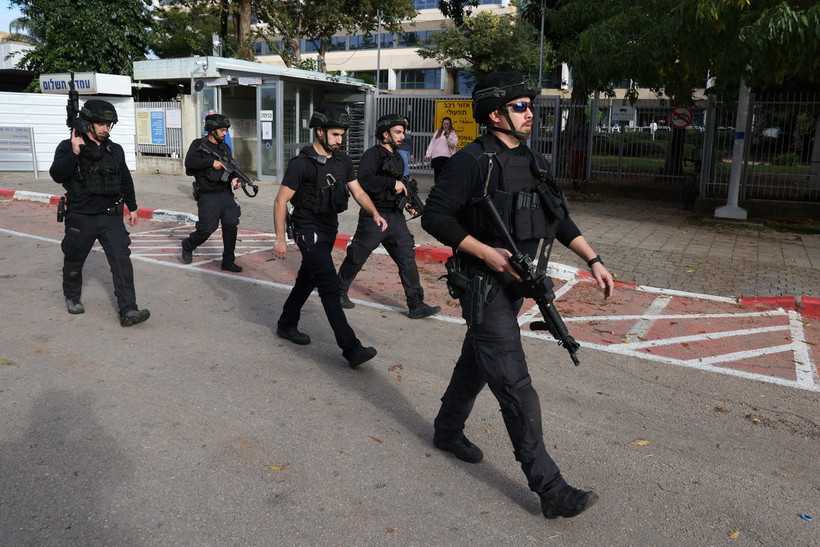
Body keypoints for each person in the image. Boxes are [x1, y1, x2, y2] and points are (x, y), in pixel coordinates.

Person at [421, 72, 615, 520]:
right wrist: (485, 252)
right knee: (513, 383)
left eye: (531, 106)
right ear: (495, 114)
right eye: (521, 106)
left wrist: (594, 260)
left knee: (478, 363)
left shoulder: (533, 160)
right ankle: (550, 489)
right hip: (484, 286)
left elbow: (558, 216)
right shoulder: (472, 161)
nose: (531, 113)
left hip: (515, 288)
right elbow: (435, 216)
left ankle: (447, 430)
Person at [272, 103, 387, 368]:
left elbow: (358, 192)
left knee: (306, 280)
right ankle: (351, 348)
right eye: (336, 134)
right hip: (307, 230)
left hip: (328, 228)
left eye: (342, 135)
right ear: (320, 131)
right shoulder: (301, 164)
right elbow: (280, 202)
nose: (340, 139)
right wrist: (280, 238)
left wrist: (375, 213)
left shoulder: (342, 160)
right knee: (329, 287)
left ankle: (286, 324)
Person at [49, 100, 150, 327]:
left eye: (108, 124)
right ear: (87, 123)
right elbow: (56, 174)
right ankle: (72, 296)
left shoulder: (115, 150)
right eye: (101, 124)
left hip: (110, 216)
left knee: (122, 262)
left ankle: (128, 310)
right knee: (74, 260)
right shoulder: (68, 147)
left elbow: (125, 180)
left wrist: (132, 207)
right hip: (81, 217)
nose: (105, 128)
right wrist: (74, 153)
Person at [337, 114, 440, 319]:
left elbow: (401, 186)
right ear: (385, 134)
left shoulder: (398, 158)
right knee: (356, 257)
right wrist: (391, 184)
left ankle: (416, 304)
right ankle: (337, 293)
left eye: (403, 132)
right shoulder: (372, 154)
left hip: (395, 217)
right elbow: (364, 181)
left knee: (407, 259)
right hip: (374, 216)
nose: (403, 136)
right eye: (398, 132)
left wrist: (408, 203)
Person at [180, 113, 243, 272]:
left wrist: (235, 179)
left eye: (226, 130)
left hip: (225, 194)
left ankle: (228, 260)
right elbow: (189, 164)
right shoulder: (198, 144)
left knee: (231, 226)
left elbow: (230, 168)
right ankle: (188, 245)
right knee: (207, 228)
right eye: (222, 130)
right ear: (212, 130)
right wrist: (211, 162)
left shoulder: (225, 148)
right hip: (207, 195)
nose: (224, 133)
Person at [570, 122, 589, 190]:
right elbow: (571, 136)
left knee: (584, 167)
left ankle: (583, 184)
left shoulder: (587, 126)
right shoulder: (575, 126)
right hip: (575, 149)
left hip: (584, 149)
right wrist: (577, 131)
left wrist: (582, 131)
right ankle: (574, 184)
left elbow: (590, 136)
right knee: (574, 166)